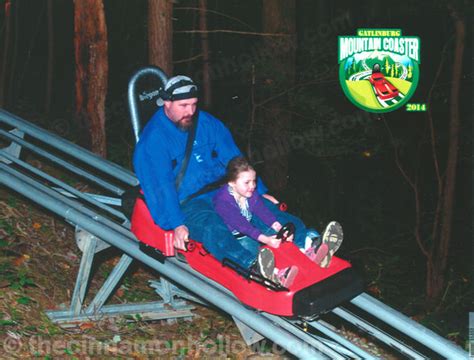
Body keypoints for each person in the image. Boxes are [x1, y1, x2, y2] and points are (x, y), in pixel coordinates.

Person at [133, 75, 342, 285]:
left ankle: (308, 243)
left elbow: (233, 157)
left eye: (194, 104)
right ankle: (253, 265)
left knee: (263, 209)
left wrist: (257, 190)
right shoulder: (153, 141)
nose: (190, 111)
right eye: (183, 105)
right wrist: (177, 223)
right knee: (211, 227)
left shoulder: (205, 123)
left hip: (222, 189)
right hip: (189, 202)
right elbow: (160, 188)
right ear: (166, 103)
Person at [212, 156, 343, 286]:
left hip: (251, 226)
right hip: (238, 236)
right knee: (256, 252)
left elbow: (262, 211)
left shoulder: (249, 192)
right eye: (247, 182)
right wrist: (267, 240)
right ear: (232, 183)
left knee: (287, 226)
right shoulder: (223, 201)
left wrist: (279, 227)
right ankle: (275, 274)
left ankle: (309, 246)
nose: (252, 186)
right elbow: (242, 226)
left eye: (254, 181)